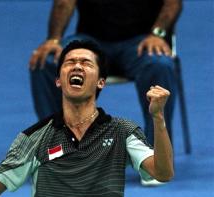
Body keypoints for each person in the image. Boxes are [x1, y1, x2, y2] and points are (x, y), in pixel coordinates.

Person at [0, 40, 174, 197]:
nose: (77, 66)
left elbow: (163, 173)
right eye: (70, 62)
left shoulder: (121, 132)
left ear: (101, 82)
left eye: (86, 63)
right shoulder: (34, 138)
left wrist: (157, 118)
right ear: (58, 81)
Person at [29, 0, 181, 186]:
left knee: (160, 65)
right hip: (90, 42)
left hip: (142, 41)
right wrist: (53, 39)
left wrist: (157, 34)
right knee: (47, 62)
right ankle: (57, 151)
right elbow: (64, 2)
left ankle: (156, 160)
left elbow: (173, 3)